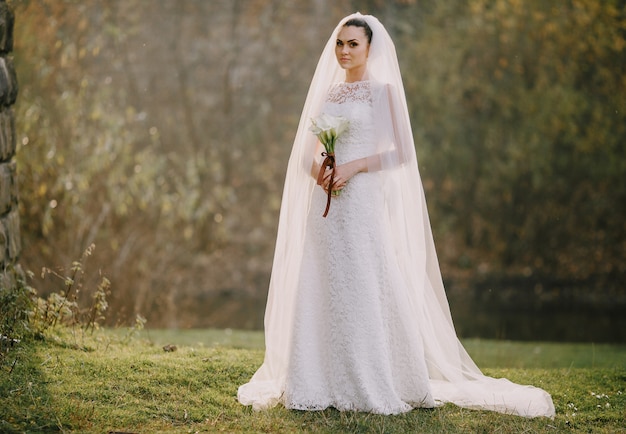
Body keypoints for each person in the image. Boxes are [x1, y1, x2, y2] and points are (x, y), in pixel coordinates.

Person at [238, 13, 555, 418]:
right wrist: (322, 174)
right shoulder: (329, 96)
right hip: (327, 203)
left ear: (370, 48)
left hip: (363, 197)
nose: (344, 51)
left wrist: (352, 167)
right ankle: (315, 378)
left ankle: (374, 377)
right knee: (324, 279)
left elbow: (401, 152)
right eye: (340, 43)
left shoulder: (382, 93)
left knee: (365, 276)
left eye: (353, 44)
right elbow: (306, 153)